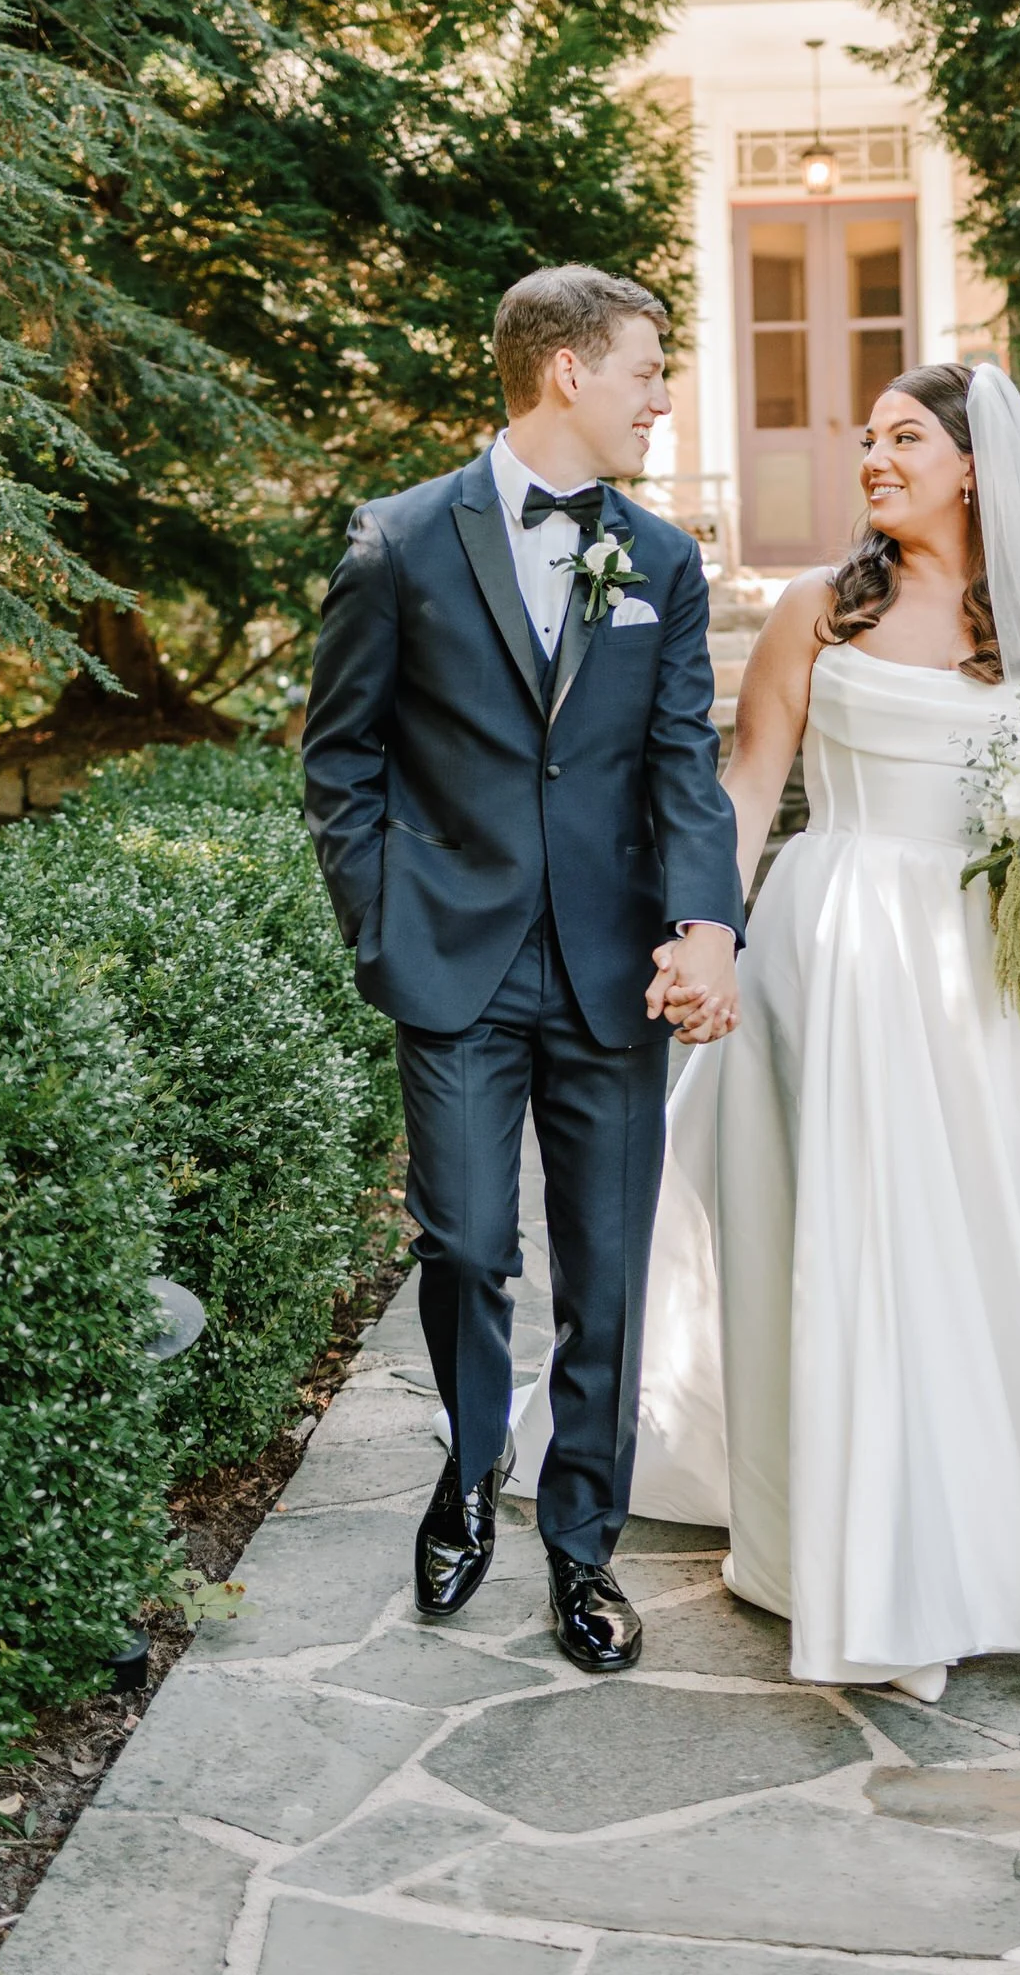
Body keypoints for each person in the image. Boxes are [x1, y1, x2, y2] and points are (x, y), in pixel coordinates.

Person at [511, 358, 1020, 1701]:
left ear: (975, 465)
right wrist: (709, 933)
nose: (874, 458)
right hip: (839, 943)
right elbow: (747, 781)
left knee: (981, 1237)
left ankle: (989, 1524)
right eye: (866, 439)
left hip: (989, 968)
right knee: (844, 1235)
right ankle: (838, 1545)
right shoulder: (817, 608)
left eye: (904, 437)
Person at [301, 266, 744, 1669]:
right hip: (456, 963)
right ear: (565, 372)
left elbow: (683, 764)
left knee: (604, 1270)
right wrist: (384, 921)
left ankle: (581, 1547)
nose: (664, 399)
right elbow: (341, 759)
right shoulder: (402, 539)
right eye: (646, 372)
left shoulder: (664, 564)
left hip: (616, 971)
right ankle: (468, 1473)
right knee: (469, 1246)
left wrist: (702, 921)